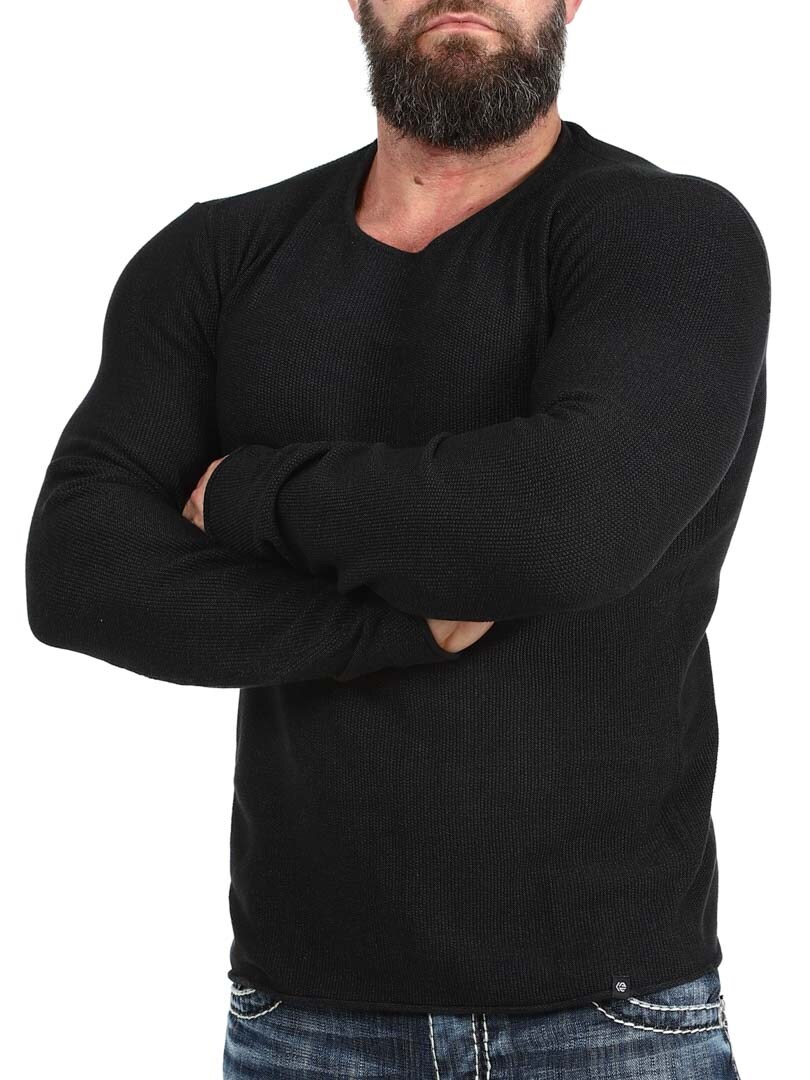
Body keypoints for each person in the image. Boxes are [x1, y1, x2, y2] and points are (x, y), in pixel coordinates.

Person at [25, 1, 769, 1076]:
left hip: (607, 1019)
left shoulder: (670, 235)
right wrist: (397, 630)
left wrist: (246, 492)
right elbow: (78, 568)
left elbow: (563, 527)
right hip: (301, 1018)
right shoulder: (219, 255)